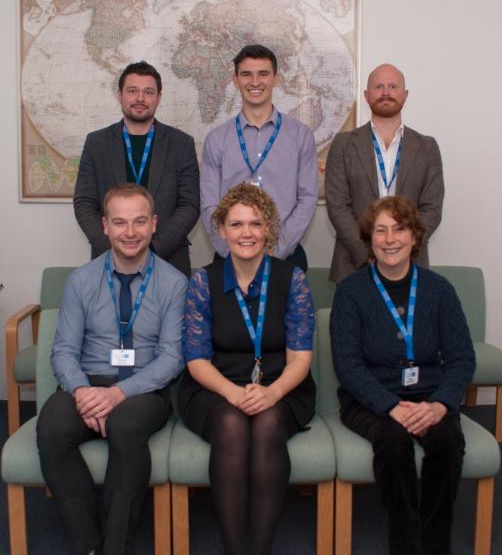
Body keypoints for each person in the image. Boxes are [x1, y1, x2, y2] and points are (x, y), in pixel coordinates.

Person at [37, 184, 187, 555]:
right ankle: (90, 543)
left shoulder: (174, 283)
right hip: (88, 382)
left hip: (143, 389)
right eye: (120, 222)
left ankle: (116, 547)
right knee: (52, 427)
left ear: (154, 224)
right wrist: (82, 392)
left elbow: (172, 357)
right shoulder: (81, 280)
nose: (130, 232)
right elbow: (64, 350)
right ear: (105, 226)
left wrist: (118, 394)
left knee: (125, 425)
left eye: (139, 221)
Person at [330, 196, 475, 555]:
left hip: (430, 397)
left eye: (399, 229)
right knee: (394, 442)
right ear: (370, 239)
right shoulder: (350, 292)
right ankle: (405, 544)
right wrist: (390, 406)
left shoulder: (439, 290)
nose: (390, 239)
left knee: (447, 441)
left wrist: (440, 404)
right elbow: (348, 365)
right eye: (380, 231)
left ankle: (435, 543)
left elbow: (461, 359)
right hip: (370, 400)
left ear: (415, 236)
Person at [178, 182, 316, 555]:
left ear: (268, 229)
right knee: (231, 423)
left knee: (268, 422)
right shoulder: (203, 281)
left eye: (255, 223)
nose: (246, 233)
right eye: (236, 224)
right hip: (214, 387)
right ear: (221, 230)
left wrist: (272, 393)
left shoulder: (292, 279)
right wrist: (233, 393)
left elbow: (300, 358)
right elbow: (196, 359)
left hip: (282, 386)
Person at [74, 60, 199, 278]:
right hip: (109, 261)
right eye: (132, 91)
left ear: (159, 97)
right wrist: (114, 249)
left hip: (168, 260)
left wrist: (154, 250)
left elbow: (189, 204)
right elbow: (84, 202)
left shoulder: (182, 143)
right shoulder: (96, 143)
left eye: (148, 92)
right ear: (120, 95)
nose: (140, 98)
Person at [200, 44, 318, 272]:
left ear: (276, 79)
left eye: (263, 73)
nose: (255, 82)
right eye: (246, 74)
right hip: (229, 257)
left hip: (285, 257)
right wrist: (232, 250)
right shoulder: (216, 139)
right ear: (235, 80)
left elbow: (307, 198)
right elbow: (209, 206)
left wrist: (277, 249)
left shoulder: (300, 135)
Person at [325, 63, 444, 283]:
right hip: (354, 265)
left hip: (411, 265)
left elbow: (432, 209)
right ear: (366, 95)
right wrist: (369, 253)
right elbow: (337, 206)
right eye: (378, 87)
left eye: (393, 86)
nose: (386, 92)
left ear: (405, 95)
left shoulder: (427, 147)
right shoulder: (343, 144)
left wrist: (403, 250)